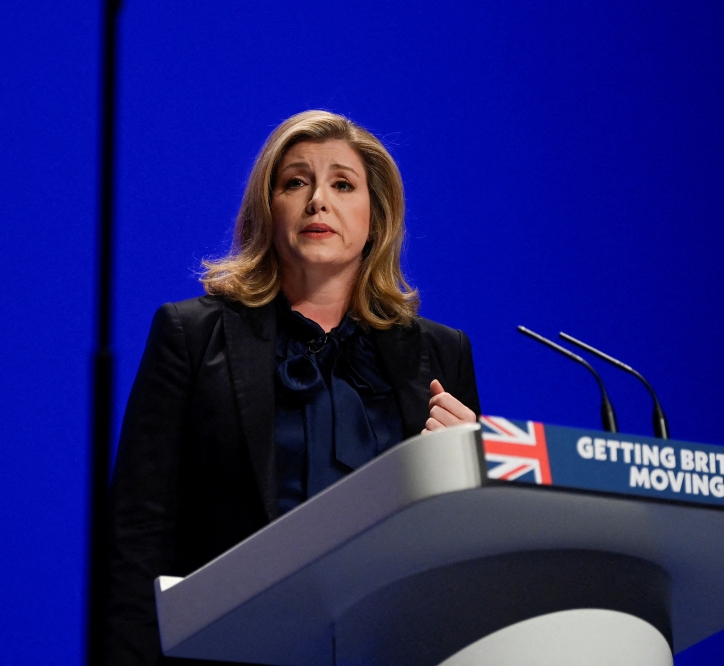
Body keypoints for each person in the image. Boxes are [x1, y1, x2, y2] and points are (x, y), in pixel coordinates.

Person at [104, 110, 481, 664]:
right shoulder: (192, 336)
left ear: (376, 216)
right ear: (268, 208)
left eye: (343, 185)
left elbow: (462, 553)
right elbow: (138, 534)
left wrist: (467, 471)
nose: (318, 201)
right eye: (296, 182)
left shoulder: (441, 354)